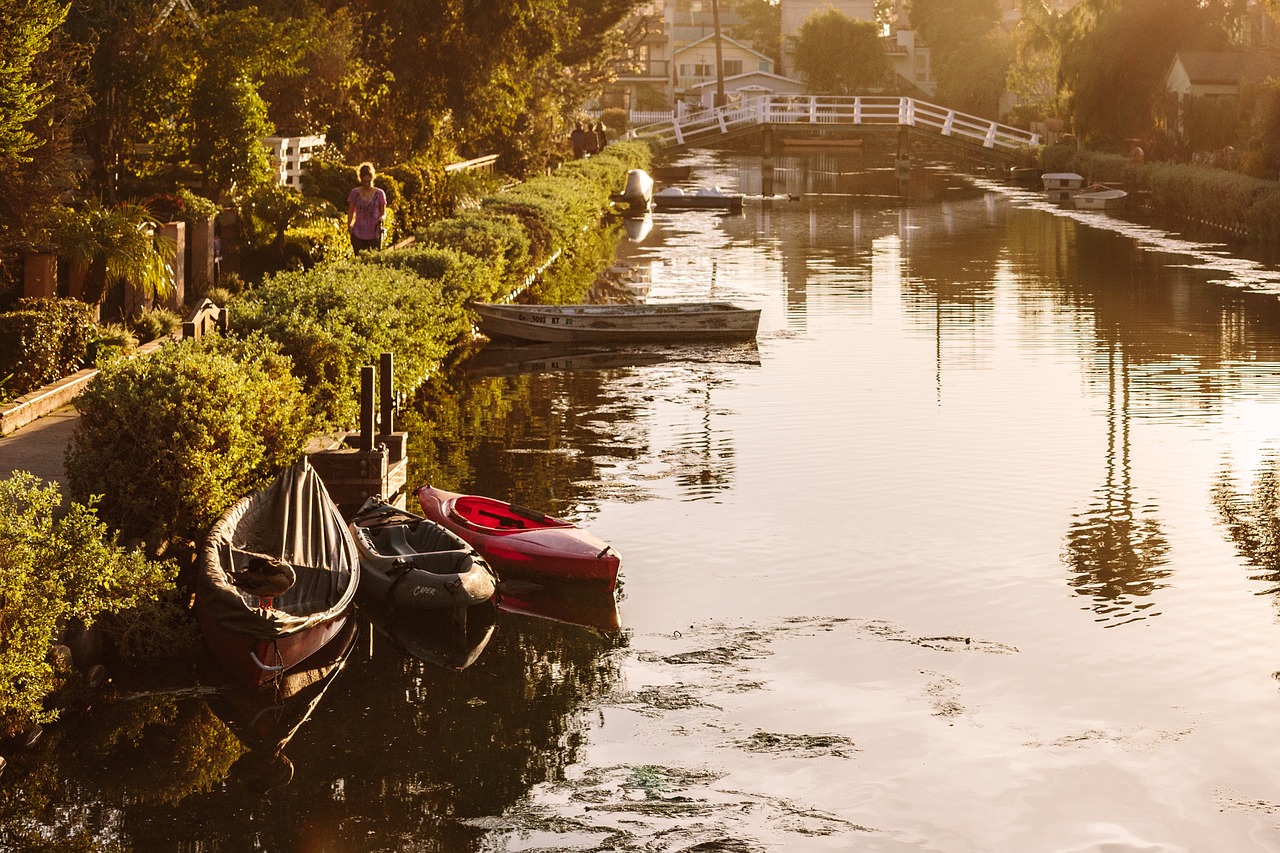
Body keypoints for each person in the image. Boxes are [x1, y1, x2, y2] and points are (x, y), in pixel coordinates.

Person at [347, 162, 387, 253]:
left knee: (374, 259)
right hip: (358, 232)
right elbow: (350, 210)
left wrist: (381, 218)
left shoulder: (379, 194)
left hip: (374, 233)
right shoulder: (355, 193)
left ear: (372, 178)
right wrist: (349, 225)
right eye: (364, 181)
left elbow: (383, 212)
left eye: (368, 181)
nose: (366, 184)